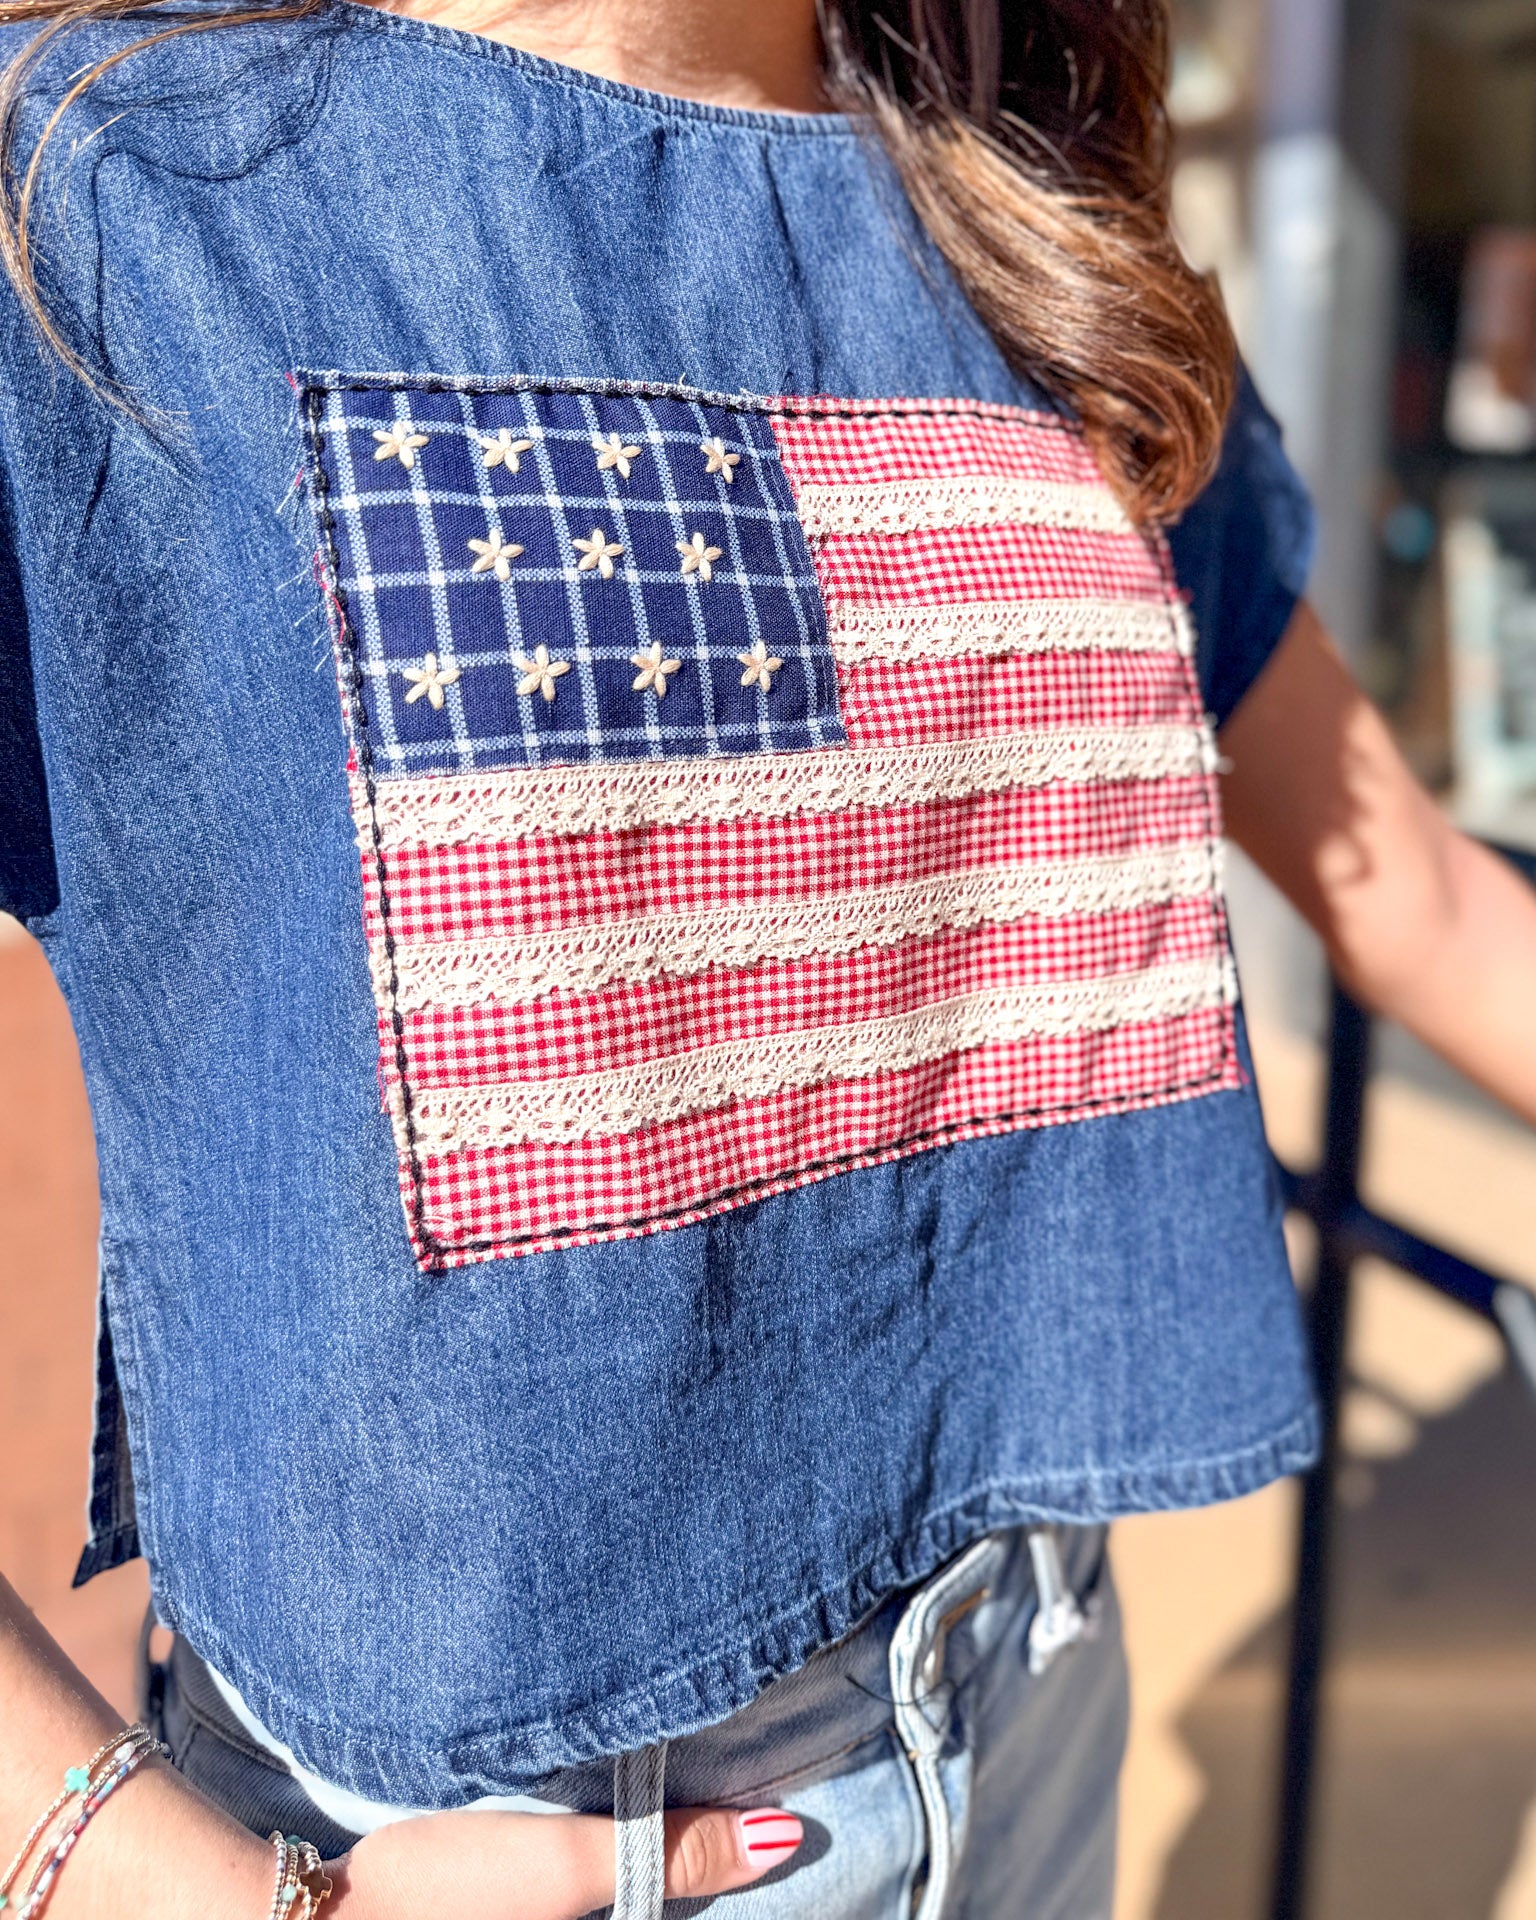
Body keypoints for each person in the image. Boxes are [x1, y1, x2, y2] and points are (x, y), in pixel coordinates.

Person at [1, 0, 1534, 1914]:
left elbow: (1424, 894)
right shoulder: (101, 197)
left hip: (1033, 1671)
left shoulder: (1038, 222)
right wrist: (156, 1880)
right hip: (503, 1829)